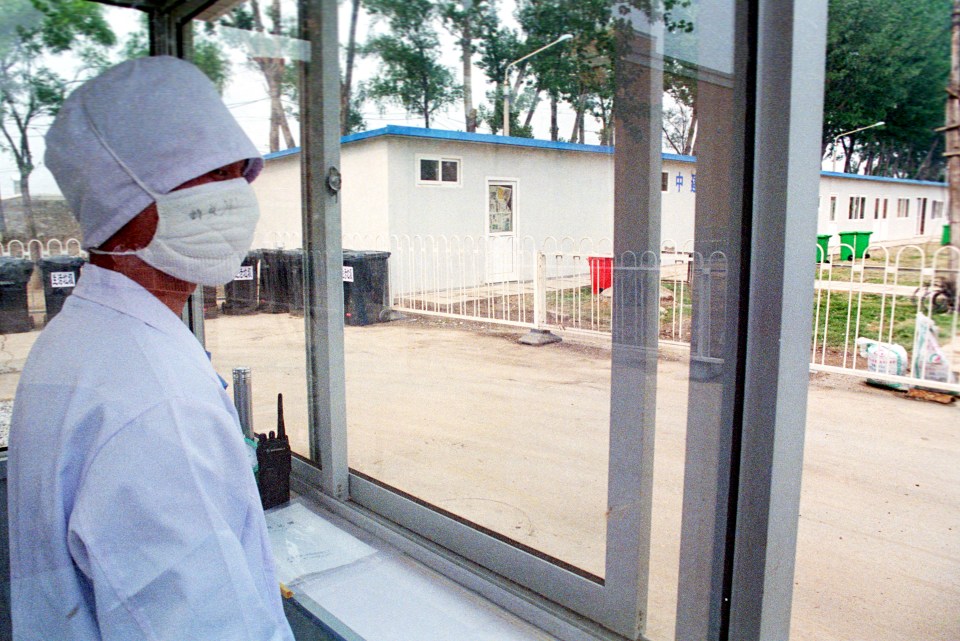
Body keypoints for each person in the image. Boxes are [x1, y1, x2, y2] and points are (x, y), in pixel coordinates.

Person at [6, 57, 295, 640]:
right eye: (209, 174)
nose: (238, 195)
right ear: (122, 199)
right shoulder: (156, 402)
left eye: (240, 172)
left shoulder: (82, 336)